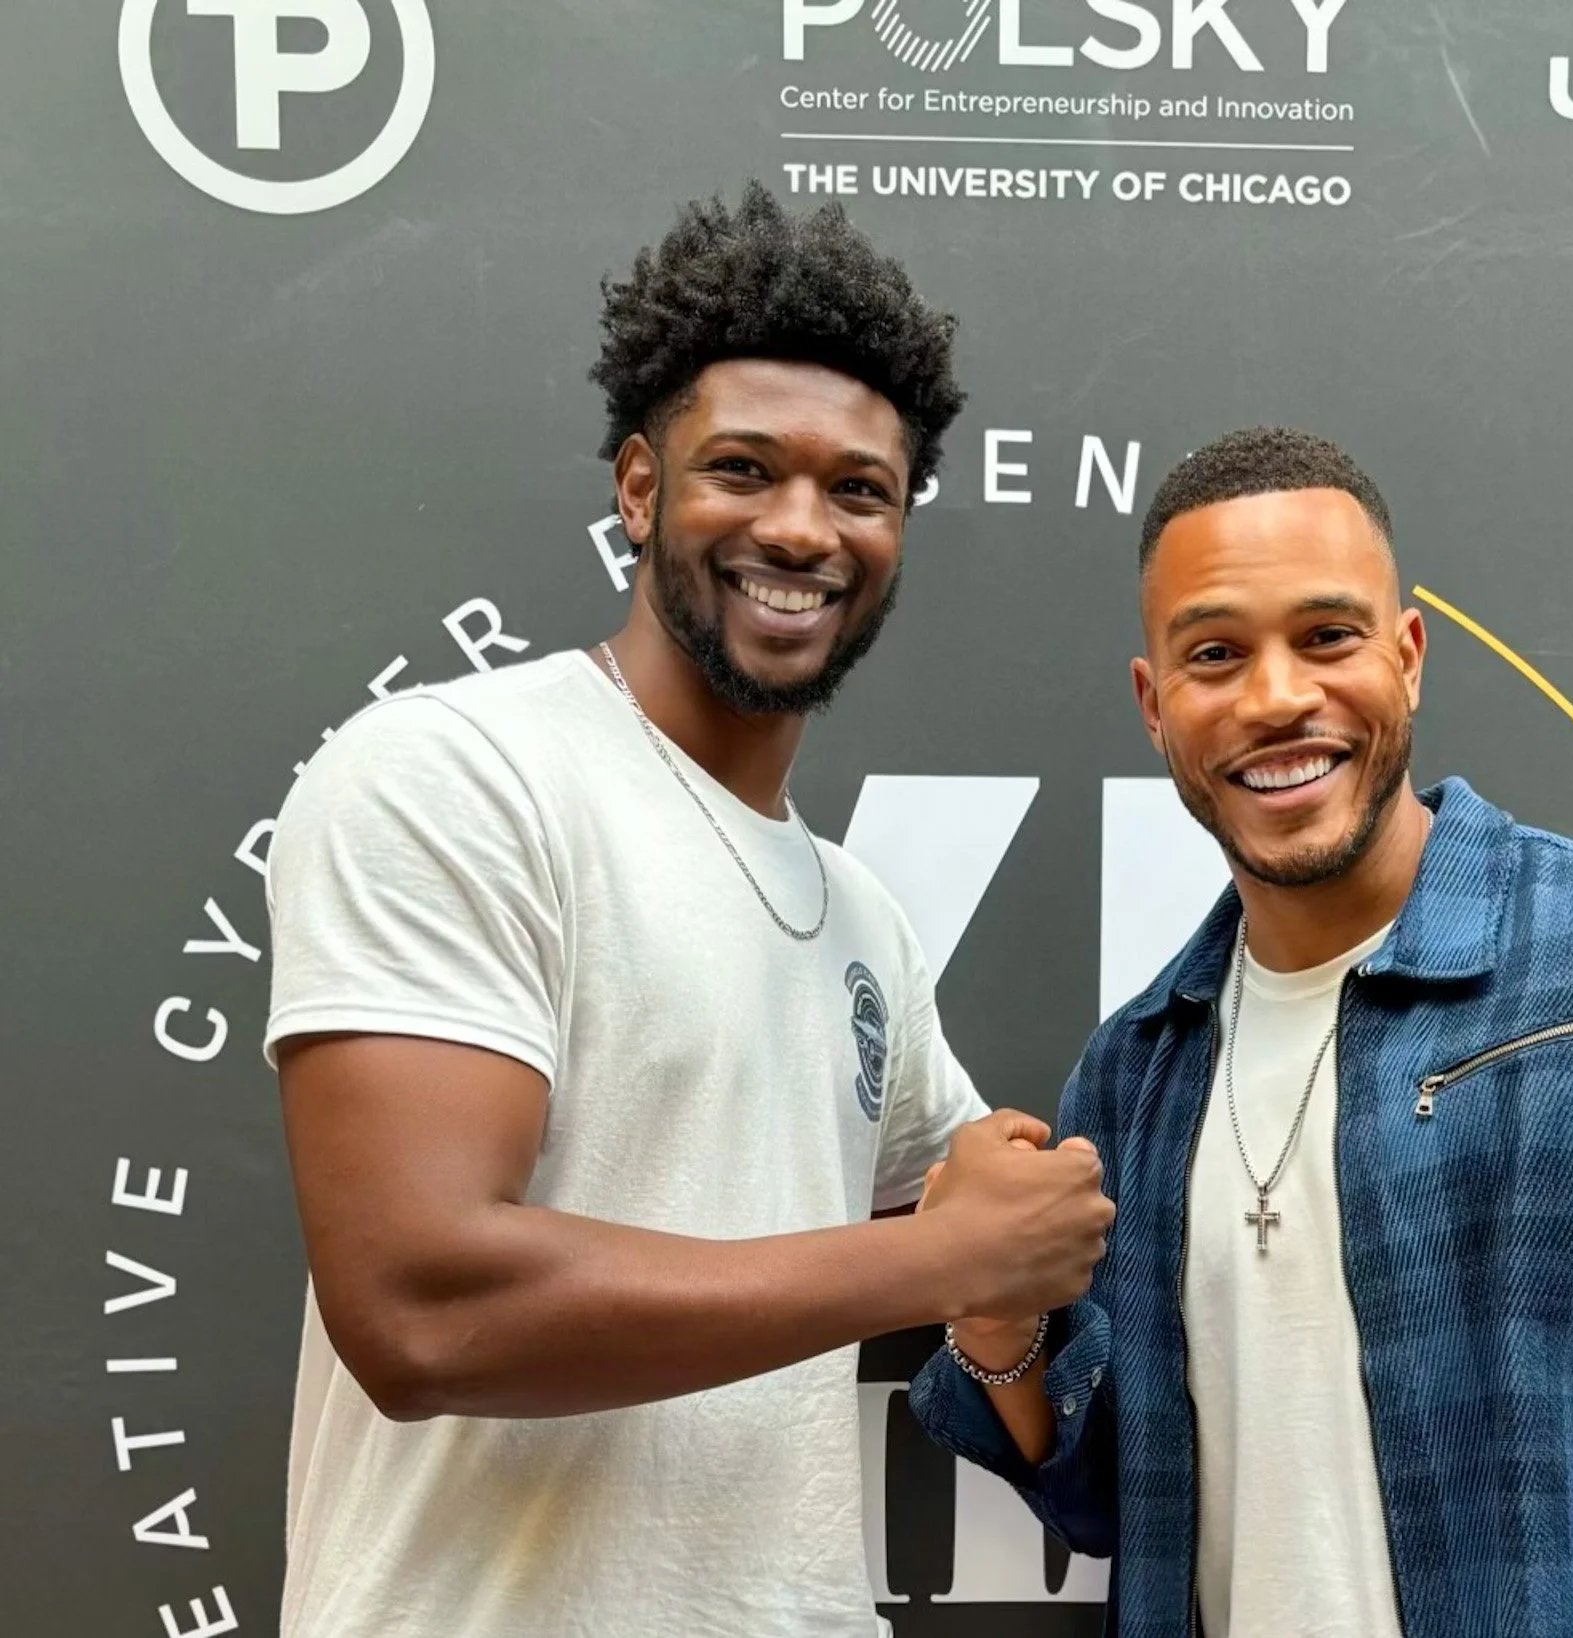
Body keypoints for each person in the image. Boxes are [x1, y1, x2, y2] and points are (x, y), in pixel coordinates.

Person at [264, 184, 1113, 1638]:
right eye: (744, 470)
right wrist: (942, 1257)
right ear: (642, 488)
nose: (803, 528)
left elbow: (975, 1236)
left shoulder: (860, 916)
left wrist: (1004, 1272)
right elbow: (421, 1308)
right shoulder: (458, 772)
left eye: (859, 488)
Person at [911, 427, 1573, 1636]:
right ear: (1154, 705)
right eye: (1216, 654)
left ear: (1405, 658)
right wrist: (992, 1319)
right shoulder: (1136, 1071)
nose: (1277, 697)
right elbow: (1114, 1506)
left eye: (1326, 638)